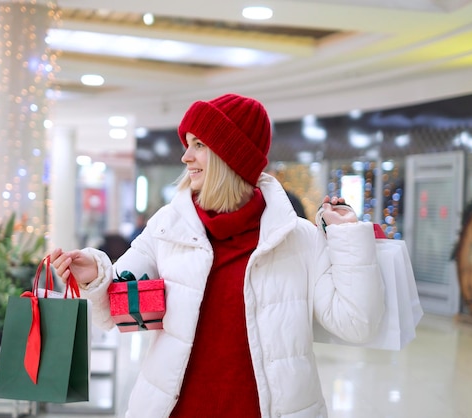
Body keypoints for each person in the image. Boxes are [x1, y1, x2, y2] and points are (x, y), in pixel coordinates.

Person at [51, 93, 385, 418]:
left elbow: (357, 325)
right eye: (188, 144)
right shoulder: (167, 227)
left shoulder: (298, 238)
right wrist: (95, 277)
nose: (186, 157)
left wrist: (346, 237)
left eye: (199, 145)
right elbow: (112, 312)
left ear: (231, 156)